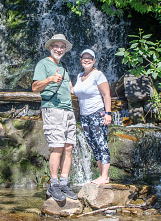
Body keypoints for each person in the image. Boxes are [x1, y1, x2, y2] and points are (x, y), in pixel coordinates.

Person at [32, 33, 78, 201]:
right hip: (52, 109)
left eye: (62, 46)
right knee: (57, 147)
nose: (59, 49)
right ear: (50, 47)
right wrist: (50, 79)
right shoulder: (43, 64)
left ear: (64, 49)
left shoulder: (64, 68)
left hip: (68, 110)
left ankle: (65, 182)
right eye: (56, 46)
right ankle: (54, 184)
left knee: (68, 147)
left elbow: (72, 90)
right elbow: (35, 87)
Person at [72, 49, 112, 184]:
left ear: (94, 60)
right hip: (84, 116)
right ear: (81, 60)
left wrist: (108, 113)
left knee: (101, 143)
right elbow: (75, 91)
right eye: (84, 57)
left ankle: (105, 176)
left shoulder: (98, 75)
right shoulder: (79, 76)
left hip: (97, 113)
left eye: (90, 58)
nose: (87, 60)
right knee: (94, 145)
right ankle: (102, 175)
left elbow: (107, 94)